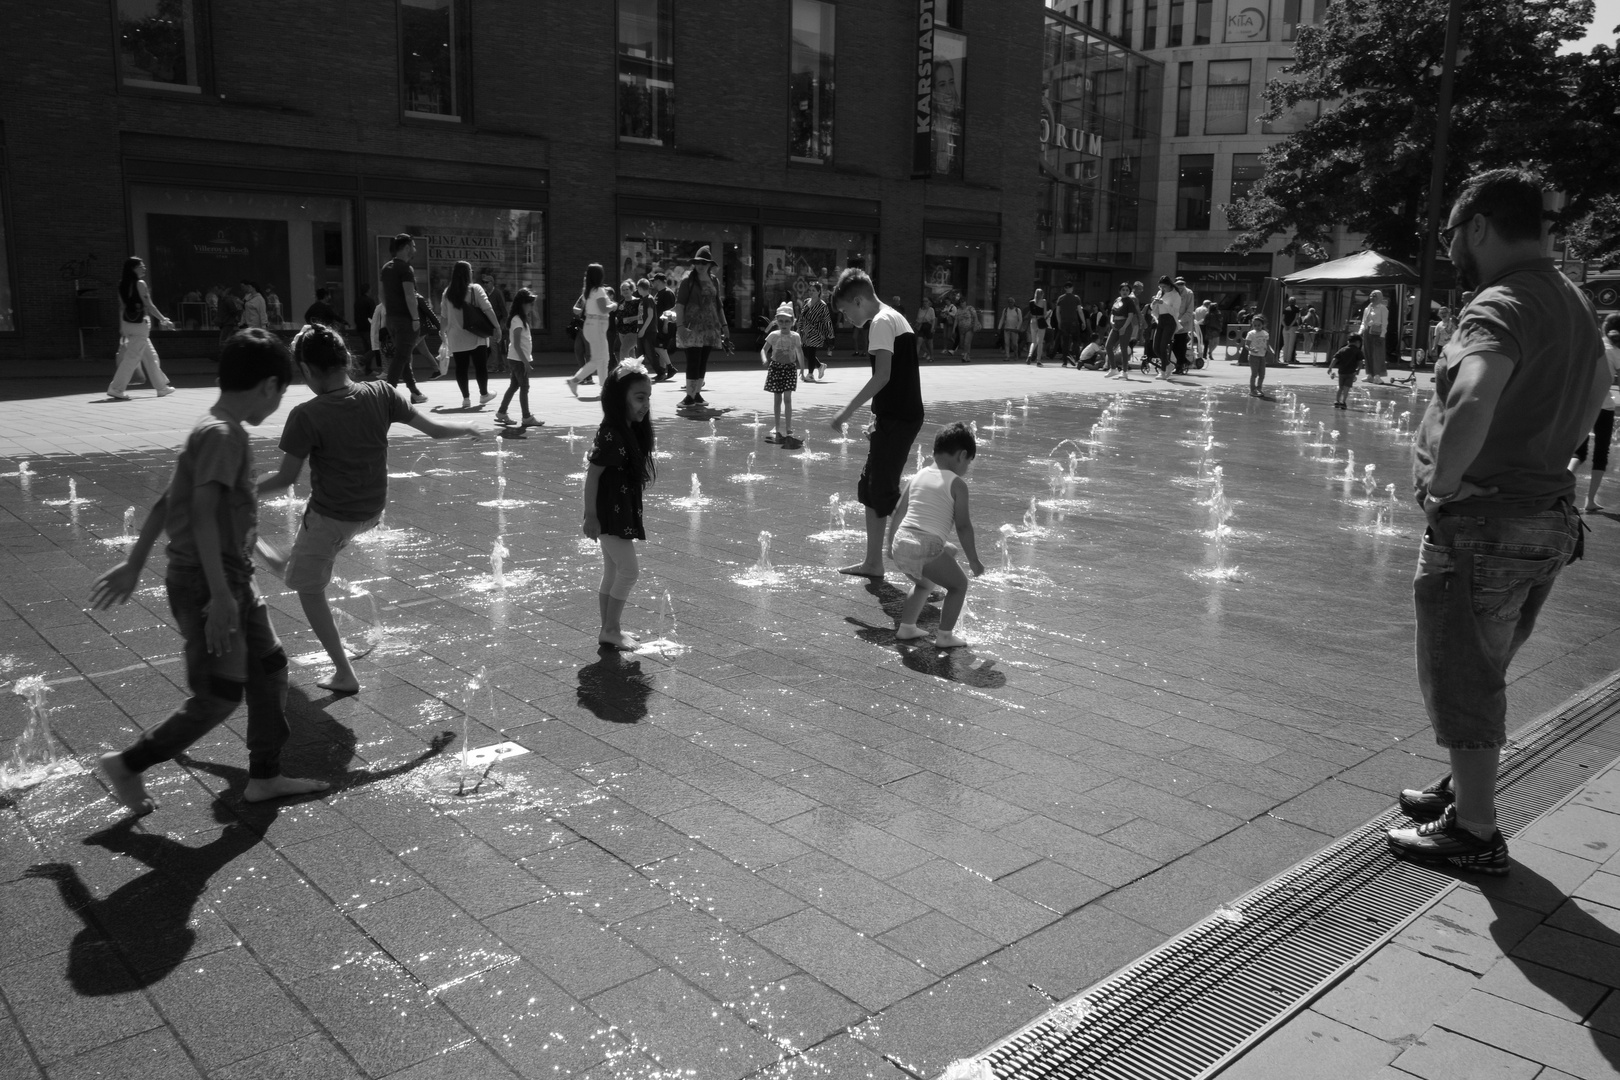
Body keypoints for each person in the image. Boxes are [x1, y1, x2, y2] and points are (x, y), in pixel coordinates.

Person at [1389, 168, 1608, 875]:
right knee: (1486, 660)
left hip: (1484, 524)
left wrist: (1443, 487)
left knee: (1463, 674)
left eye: (1452, 232)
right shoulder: (1571, 302)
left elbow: (1476, 394)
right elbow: (1598, 387)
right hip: (1544, 518)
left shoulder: (1500, 305)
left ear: (1480, 226)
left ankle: (1476, 831)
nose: (1451, 246)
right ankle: (1463, 790)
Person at [89, 329, 326, 816]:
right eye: (281, 392)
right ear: (267, 386)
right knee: (218, 697)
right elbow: (199, 513)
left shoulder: (211, 427)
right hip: (210, 582)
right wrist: (220, 597)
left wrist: (136, 564)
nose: (278, 404)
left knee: (270, 669)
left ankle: (264, 776)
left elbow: (171, 502)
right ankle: (128, 764)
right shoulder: (224, 436)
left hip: (228, 578)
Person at [256, 324, 484, 694]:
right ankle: (283, 560)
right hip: (370, 513)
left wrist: (240, 490)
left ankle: (344, 673)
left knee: (308, 589)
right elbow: (436, 430)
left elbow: (284, 480)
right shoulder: (382, 392)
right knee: (303, 563)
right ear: (346, 359)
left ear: (309, 371)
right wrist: (467, 426)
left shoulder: (307, 414)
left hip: (332, 518)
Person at [829, 268, 923, 579]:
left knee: (883, 491)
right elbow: (895, 378)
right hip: (896, 414)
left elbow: (882, 376)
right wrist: (875, 416)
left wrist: (847, 411)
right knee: (871, 488)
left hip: (898, 416)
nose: (845, 318)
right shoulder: (894, 317)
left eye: (844, 311)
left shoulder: (881, 323)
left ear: (858, 300)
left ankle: (926, 570)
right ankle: (873, 563)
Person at [887, 422, 985, 648]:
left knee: (925, 583)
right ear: (962, 456)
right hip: (924, 546)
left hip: (902, 543)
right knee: (959, 585)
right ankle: (945, 635)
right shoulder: (957, 484)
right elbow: (963, 526)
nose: (967, 467)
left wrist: (889, 545)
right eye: (969, 462)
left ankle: (907, 628)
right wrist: (974, 560)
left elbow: (899, 512)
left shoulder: (918, 476)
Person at [582, 364, 657, 649]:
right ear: (619, 398)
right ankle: (611, 629)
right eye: (639, 397)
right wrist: (591, 517)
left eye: (648, 397)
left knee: (613, 571)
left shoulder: (628, 430)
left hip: (617, 513)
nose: (645, 404)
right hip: (608, 516)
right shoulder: (612, 433)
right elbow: (592, 476)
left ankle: (609, 629)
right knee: (629, 571)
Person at [107, 256, 176, 401]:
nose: (144, 267)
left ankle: (161, 387)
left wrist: (123, 328)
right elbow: (150, 306)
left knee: (151, 355)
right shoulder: (140, 284)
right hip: (140, 325)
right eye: (141, 265)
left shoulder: (122, 285)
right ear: (133, 268)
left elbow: (122, 307)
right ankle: (116, 388)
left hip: (128, 324)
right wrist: (164, 320)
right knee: (132, 358)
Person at [1570, 313, 1620, 511]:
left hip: (1581, 403)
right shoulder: (1616, 352)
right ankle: (1589, 501)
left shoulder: (1593, 344)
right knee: (1601, 452)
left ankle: (1563, 483)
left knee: (1578, 451)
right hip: (1604, 406)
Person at [439, 260, 499, 410]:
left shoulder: (447, 293)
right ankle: (484, 394)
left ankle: (466, 399)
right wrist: (497, 327)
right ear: (467, 273)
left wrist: (442, 332)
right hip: (476, 335)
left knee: (461, 368)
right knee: (480, 367)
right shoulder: (475, 289)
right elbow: (488, 309)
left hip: (456, 337)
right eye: (471, 271)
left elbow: (444, 317)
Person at [674, 247, 730, 409]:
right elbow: (680, 305)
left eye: (704, 263)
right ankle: (689, 396)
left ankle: (696, 394)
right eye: (698, 262)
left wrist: (724, 325)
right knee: (693, 360)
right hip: (692, 327)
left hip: (710, 327)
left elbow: (718, 304)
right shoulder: (687, 281)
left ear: (709, 265)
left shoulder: (714, 280)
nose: (701, 265)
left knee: (702, 361)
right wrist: (680, 326)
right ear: (694, 264)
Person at [381, 234, 428, 404]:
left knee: (404, 355)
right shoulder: (406, 269)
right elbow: (410, 295)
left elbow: (382, 295)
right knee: (401, 357)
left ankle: (414, 392)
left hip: (392, 319)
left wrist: (389, 312)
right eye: (413, 246)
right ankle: (388, 393)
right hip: (405, 320)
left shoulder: (386, 268)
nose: (415, 249)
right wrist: (415, 319)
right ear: (407, 248)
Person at [495, 289, 544, 429]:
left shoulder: (521, 319)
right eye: (530, 304)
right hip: (518, 360)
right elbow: (516, 344)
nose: (532, 307)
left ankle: (501, 412)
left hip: (516, 358)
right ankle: (527, 417)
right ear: (522, 304)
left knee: (514, 386)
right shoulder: (517, 320)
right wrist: (526, 363)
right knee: (524, 387)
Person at [567, 264, 617, 398]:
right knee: (599, 359)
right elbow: (603, 309)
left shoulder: (589, 291)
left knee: (603, 358)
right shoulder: (599, 290)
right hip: (597, 326)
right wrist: (613, 305)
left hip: (592, 325)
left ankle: (602, 387)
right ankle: (577, 381)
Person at [760, 303, 803, 444]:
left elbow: (799, 352)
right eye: (781, 321)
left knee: (788, 398)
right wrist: (764, 358)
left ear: (793, 322)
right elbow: (763, 349)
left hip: (790, 368)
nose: (784, 324)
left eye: (787, 321)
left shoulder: (795, 336)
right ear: (776, 322)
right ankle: (777, 426)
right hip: (776, 368)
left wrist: (802, 368)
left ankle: (789, 426)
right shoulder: (773, 335)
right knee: (777, 398)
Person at [798, 281, 834, 381]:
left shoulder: (823, 305)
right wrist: (798, 329)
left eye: (813, 290)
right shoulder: (806, 302)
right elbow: (801, 317)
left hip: (816, 331)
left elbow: (827, 321)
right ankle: (820, 366)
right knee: (805, 352)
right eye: (810, 290)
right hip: (805, 331)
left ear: (819, 292)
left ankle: (810, 374)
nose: (811, 292)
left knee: (811, 351)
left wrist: (830, 335)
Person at [1103, 282, 1137, 380]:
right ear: (1119, 291)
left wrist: (1124, 327)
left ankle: (1125, 371)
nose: (1125, 292)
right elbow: (1112, 313)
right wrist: (1111, 322)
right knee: (1108, 346)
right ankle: (1113, 368)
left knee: (1123, 348)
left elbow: (1130, 315)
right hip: (1115, 325)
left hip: (1125, 325)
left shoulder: (1130, 301)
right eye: (1123, 290)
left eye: (1127, 290)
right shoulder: (1117, 300)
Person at [1149, 276, 1181, 379]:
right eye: (1160, 286)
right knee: (1155, 347)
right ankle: (1168, 365)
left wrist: (1163, 303)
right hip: (1161, 320)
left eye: (1164, 286)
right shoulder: (1160, 292)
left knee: (1163, 346)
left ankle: (1162, 371)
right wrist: (1154, 303)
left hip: (1170, 321)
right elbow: (1153, 308)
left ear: (1169, 285)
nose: (1162, 288)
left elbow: (1175, 312)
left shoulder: (1175, 295)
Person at [651, 272, 680, 382]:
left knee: (658, 347)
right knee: (661, 348)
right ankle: (662, 373)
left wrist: (666, 325)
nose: (653, 283)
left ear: (658, 281)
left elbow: (670, 312)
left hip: (665, 325)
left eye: (654, 281)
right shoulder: (658, 293)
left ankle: (670, 368)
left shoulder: (668, 293)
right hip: (659, 325)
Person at [1360, 289, 1390, 383]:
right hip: (1367, 332)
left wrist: (1382, 335)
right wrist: (1360, 332)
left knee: (1377, 354)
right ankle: (1369, 374)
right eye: (1371, 296)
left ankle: (1377, 375)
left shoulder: (1383, 308)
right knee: (1367, 353)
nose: (1372, 298)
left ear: (1380, 297)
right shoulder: (1367, 308)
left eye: (1375, 296)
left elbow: (1385, 323)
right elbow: (1363, 321)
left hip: (1377, 332)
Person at [1331, 332, 1363, 409]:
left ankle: (1336, 401)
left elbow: (1335, 359)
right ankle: (1343, 402)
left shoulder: (1342, 349)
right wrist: (1358, 369)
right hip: (1351, 373)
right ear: (1358, 342)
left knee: (1340, 387)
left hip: (1341, 372)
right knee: (1346, 388)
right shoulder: (1358, 351)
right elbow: (1360, 362)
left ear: (1348, 342)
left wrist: (1330, 368)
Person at [1053, 283, 1082, 365]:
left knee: (1065, 342)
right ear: (1072, 288)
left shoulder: (1060, 298)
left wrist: (1059, 322)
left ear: (1065, 288)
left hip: (1064, 322)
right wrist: (1083, 321)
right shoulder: (1076, 298)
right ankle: (1078, 359)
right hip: (1074, 322)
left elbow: (1057, 312)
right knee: (1076, 341)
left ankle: (1064, 361)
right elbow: (1080, 311)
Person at [1244, 313, 1271, 397]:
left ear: (1262, 325)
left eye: (1259, 325)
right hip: (1253, 356)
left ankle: (1259, 388)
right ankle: (1252, 390)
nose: (1257, 327)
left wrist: (1270, 350)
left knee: (1262, 374)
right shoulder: (1251, 333)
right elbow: (1246, 344)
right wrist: (1250, 349)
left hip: (1262, 356)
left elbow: (1267, 344)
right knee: (1254, 374)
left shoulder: (1265, 333)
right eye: (1255, 325)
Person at [1173, 278, 1197, 373]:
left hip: (1183, 324)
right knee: (1173, 346)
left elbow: (1189, 310)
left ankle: (1180, 365)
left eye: (1182, 283)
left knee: (1181, 346)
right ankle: (1183, 362)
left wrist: (1181, 321)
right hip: (1173, 323)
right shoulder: (1173, 291)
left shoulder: (1189, 293)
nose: (1180, 285)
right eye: (1178, 284)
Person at [617, 278, 642, 363]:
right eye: (623, 290)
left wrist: (630, 319)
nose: (625, 291)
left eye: (627, 289)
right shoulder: (621, 302)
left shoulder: (637, 301)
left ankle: (622, 372)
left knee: (623, 350)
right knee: (631, 353)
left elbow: (642, 316)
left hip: (633, 331)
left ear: (632, 290)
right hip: (622, 332)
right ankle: (635, 372)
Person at [1025, 290, 1048, 366]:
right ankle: (1038, 360)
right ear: (1041, 294)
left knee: (1033, 341)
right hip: (1040, 320)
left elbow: (1031, 313)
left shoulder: (1031, 302)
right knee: (1040, 342)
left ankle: (1029, 355)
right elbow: (1044, 313)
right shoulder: (1043, 301)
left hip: (1033, 321)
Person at [998, 296, 1023, 361]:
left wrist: (1018, 328)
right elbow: (1002, 319)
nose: (1010, 303)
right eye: (1009, 302)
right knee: (1006, 343)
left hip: (1014, 329)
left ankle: (1016, 354)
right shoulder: (1005, 310)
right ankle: (1007, 356)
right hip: (1007, 329)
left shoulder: (1017, 310)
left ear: (1014, 303)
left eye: (1011, 302)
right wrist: (999, 327)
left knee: (1014, 344)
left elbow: (1020, 320)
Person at [953, 297, 978, 363]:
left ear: (965, 302)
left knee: (967, 342)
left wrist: (975, 324)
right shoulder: (958, 310)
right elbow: (956, 320)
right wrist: (953, 329)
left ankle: (965, 356)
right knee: (962, 344)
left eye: (963, 302)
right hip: (961, 329)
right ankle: (968, 356)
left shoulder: (970, 308)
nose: (962, 303)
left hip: (969, 327)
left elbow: (975, 316)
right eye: (961, 302)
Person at [1281, 294, 1301, 365]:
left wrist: (1285, 325)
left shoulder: (1286, 308)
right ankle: (1289, 359)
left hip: (1285, 328)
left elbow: (1282, 319)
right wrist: (1290, 326)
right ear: (1295, 302)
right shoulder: (1296, 308)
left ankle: (1284, 358)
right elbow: (1296, 318)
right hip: (1293, 327)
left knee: (1285, 344)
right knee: (1291, 344)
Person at [916, 295, 936, 364]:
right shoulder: (920, 309)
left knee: (929, 343)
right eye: (923, 301)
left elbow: (933, 320)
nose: (924, 303)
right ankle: (915, 358)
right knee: (919, 342)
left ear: (929, 302)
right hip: (922, 326)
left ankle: (932, 356)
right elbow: (918, 319)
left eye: (926, 301)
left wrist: (932, 328)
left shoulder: (931, 309)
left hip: (928, 326)